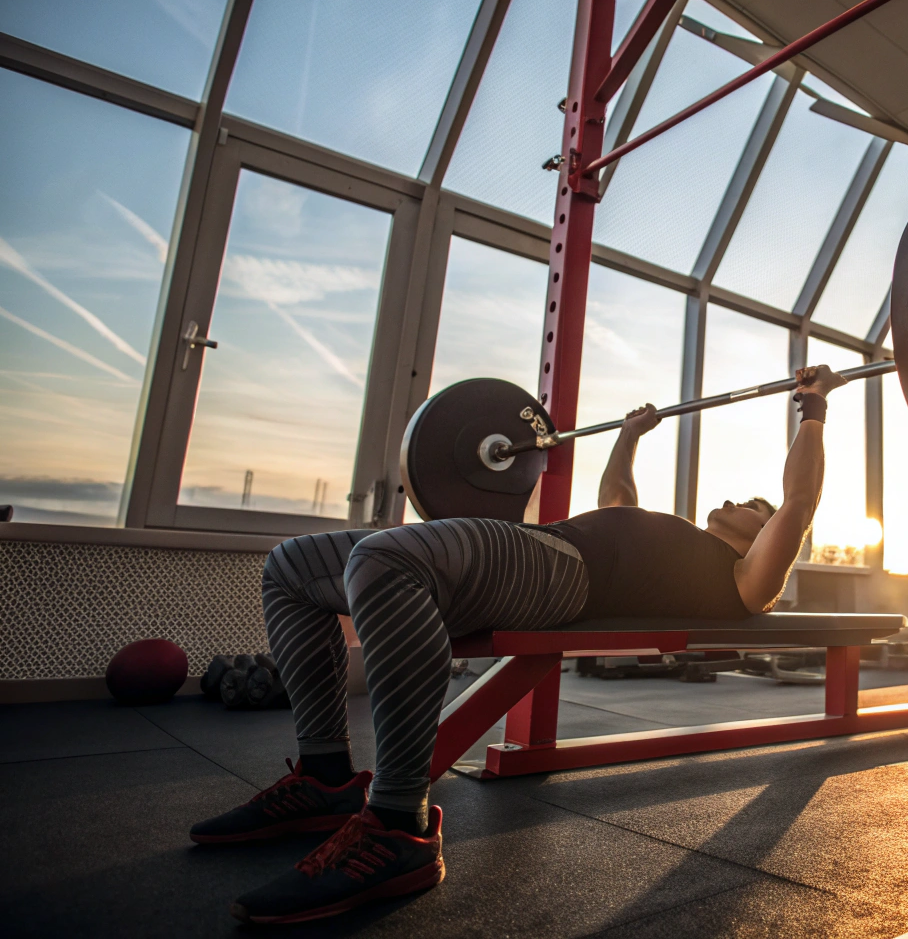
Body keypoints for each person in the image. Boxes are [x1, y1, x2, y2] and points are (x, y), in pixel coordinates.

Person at [189, 364, 848, 924]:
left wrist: (811, 407)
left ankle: (399, 823)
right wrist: (628, 436)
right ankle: (326, 777)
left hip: (558, 574)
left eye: (750, 505)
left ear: (767, 535)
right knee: (291, 568)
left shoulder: (742, 580)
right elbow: (615, 498)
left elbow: (799, 498)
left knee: (387, 559)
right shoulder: (675, 536)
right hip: (543, 546)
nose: (734, 499)